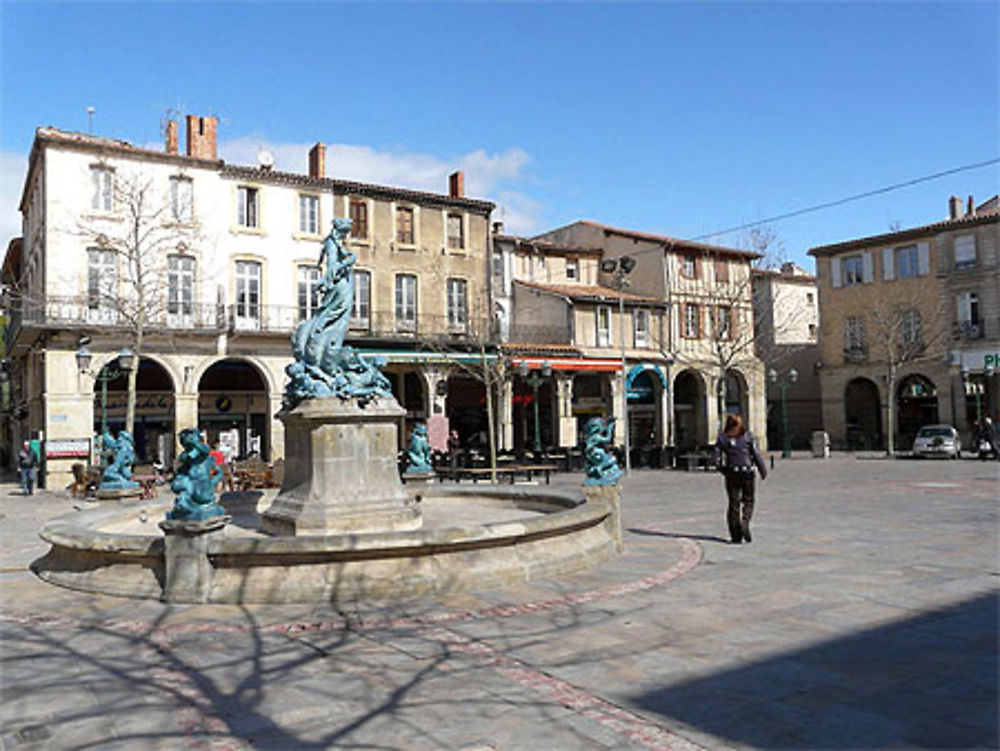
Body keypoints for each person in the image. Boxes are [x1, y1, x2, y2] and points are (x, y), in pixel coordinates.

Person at [713, 414, 767, 544]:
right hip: (747, 471)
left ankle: (735, 535)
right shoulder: (747, 436)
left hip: (732, 472)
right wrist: (762, 469)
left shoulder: (722, 438)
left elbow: (716, 458)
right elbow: (756, 454)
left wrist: (723, 469)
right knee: (749, 500)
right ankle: (745, 522)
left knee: (733, 503)